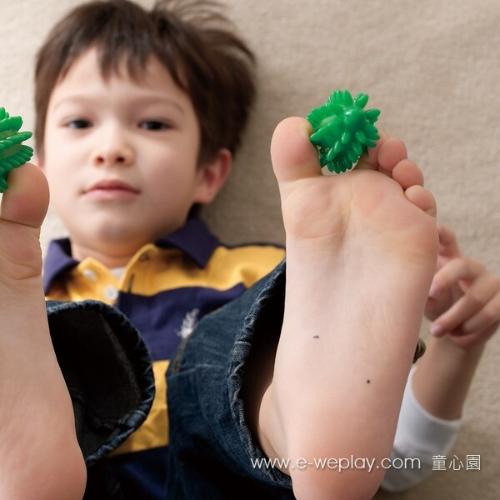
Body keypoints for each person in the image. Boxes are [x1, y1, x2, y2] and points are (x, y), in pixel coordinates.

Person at [0, 0, 499, 498]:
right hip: (73, 464)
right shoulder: (23, 294)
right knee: (60, 338)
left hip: (227, 475)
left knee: (232, 341)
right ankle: (28, 458)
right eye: (79, 123)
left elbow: (390, 460)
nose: (111, 148)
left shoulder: (268, 276)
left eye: (152, 124)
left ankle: (286, 424)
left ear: (209, 173)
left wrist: (454, 348)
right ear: (40, 162)